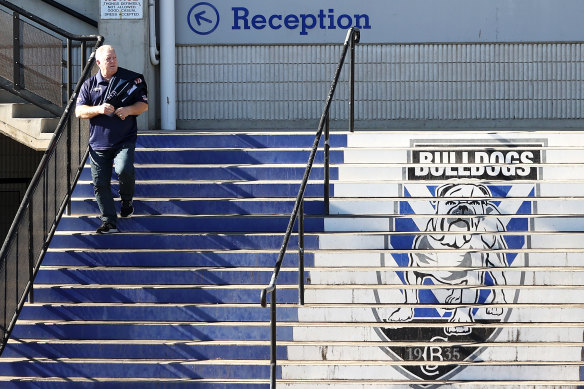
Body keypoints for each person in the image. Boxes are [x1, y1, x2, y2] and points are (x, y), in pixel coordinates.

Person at [75, 45, 148, 234]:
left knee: (124, 169)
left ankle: (126, 200)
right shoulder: (89, 84)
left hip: (125, 138)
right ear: (99, 63)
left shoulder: (130, 79)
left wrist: (129, 110)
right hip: (98, 143)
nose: (113, 61)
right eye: (108, 59)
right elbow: (79, 111)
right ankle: (108, 221)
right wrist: (98, 109)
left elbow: (143, 105)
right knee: (100, 184)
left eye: (114, 57)